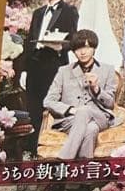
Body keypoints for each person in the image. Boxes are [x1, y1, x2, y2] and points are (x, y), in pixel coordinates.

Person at [21, 0, 79, 157]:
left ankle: (52, 150)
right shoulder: (38, 12)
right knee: (33, 107)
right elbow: (29, 41)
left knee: (52, 105)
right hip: (34, 64)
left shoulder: (69, 11)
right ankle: (33, 149)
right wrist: (24, 70)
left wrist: (60, 47)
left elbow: (73, 39)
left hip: (54, 64)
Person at [43, 30, 117, 160]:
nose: (82, 52)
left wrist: (96, 88)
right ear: (73, 51)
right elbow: (48, 101)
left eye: (86, 47)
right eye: (78, 49)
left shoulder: (108, 70)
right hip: (70, 120)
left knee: (85, 111)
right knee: (90, 129)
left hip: (99, 117)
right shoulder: (64, 71)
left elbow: (110, 104)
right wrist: (71, 110)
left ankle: (64, 160)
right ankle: (84, 169)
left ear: (94, 48)